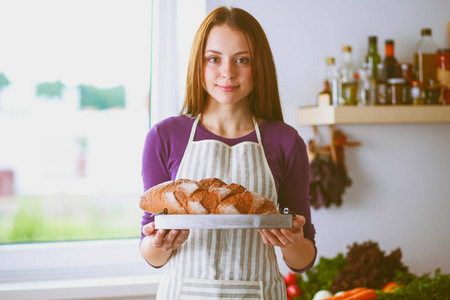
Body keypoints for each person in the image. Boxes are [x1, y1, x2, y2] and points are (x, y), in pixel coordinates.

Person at [140, 6, 316, 299]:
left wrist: (290, 241)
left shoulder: (286, 141)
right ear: (199, 64)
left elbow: (303, 258)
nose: (228, 73)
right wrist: (160, 243)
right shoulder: (164, 137)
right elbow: (151, 254)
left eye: (242, 60)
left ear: (259, 66)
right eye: (214, 59)